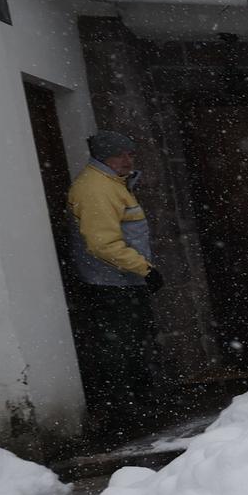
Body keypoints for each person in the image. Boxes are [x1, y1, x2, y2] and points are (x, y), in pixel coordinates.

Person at [67, 130, 164, 433]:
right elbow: (101, 244)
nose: (127, 159)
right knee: (119, 350)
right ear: (102, 156)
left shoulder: (112, 184)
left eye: (130, 153)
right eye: (119, 154)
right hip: (111, 285)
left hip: (122, 282)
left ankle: (138, 409)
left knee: (130, 346)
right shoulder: (96, 188)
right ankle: (126, 416)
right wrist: (144, 269)